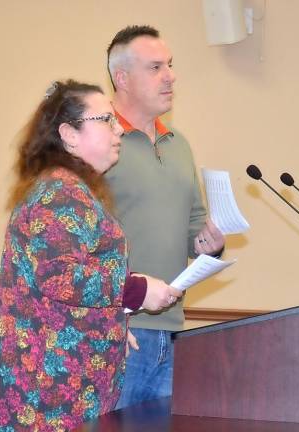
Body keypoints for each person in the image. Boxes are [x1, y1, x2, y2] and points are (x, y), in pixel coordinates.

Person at [0, 80, 182, 432]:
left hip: (53, 387)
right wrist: (137, 291)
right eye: (105, 120)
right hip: (37, 393)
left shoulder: (71, 188)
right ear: (69, 134)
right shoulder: (60, 191)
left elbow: (65, 285)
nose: (118, 131)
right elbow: (61, 277)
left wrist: (110, 320)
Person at [106, 26, 226, 409]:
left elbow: (195, 225)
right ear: (122, 78)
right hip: (118, 332)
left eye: (170, 65)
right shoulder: (99, 145)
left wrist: (210, 244)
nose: (170, 76)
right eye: (155, 67)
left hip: (173, 331)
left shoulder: (179, 144)